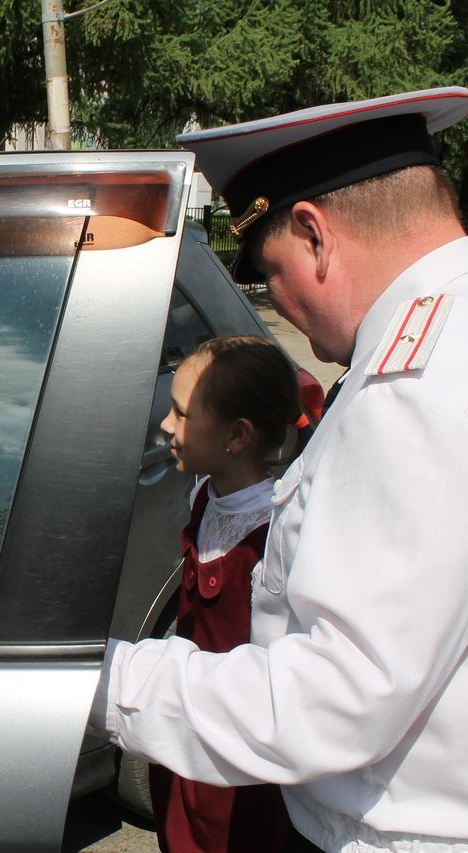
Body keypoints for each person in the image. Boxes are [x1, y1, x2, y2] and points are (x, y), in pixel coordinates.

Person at [91, 87, 468, 851]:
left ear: (316, 236)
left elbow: (335, 697)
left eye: (271, 265)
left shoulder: (418, 397)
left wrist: (112, 683)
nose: (279, 305)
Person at [149, 335, 300, 853]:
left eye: (181, 413)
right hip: (190, 746)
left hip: (237, 768)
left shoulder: (274, 533)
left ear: (237, 436)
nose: (167, 425)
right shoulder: (205, 496)